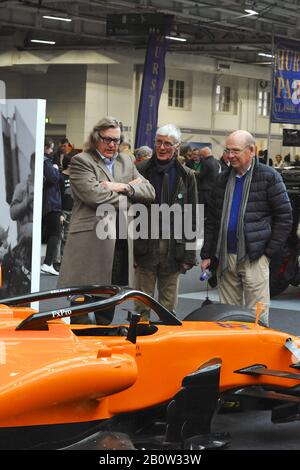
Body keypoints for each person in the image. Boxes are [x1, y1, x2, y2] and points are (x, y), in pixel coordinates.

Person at [57, 116, 155, 324]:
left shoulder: (126, 161)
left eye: (117, 140)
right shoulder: (81, 161)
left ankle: (101, 346)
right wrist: (131, 197)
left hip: (118, 242)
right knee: (82, 310)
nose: (112, 144)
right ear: (95, 138)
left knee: (108, 305)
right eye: (107, 139)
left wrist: (123, 187)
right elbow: (95, 197)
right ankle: (83, 351)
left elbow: (149, 191)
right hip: (90, 243)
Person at [200, 130, 293, 326]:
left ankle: (258, 355)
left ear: (252, 150)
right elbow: (213, 220)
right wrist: (207, 254)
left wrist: (267, 253)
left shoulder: (269, 177)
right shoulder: (222, 178)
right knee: (227, 315)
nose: (230, 155)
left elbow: (285, 217)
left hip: (255, 257)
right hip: (226, 257)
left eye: (235, 151)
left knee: (257, 316)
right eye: (227, 150)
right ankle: (233, 354)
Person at [134, 124, 198, 321]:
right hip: (144, 246)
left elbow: (192, 215)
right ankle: (140, 343)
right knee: (140, 307)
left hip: (173, 250)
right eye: (159, 142)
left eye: (167, 144)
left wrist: (189, 254)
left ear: (176, 146)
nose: (162, 147)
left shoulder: (187, 175)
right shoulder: (139, 170)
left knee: (168, 309)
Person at [41, 138, 62, 276]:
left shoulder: (43, 161)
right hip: (52, 203)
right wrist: (55, 169)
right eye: (50, 148)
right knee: (55, 232)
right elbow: (54, 178)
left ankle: (48, 263)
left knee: (50, 233)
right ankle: (48, 263)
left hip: (49, 202)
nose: (51, 151)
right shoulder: (46, 162)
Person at [197, 146, 220, 212]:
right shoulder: (216, 162)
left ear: (204, 153)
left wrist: (195, 174)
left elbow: (201, 176)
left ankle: (200, 222)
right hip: (213, 190)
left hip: (204, 191)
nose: (201, 156)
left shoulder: (205, 162)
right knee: (210, 210)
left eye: (201, 154)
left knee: (201, 210)